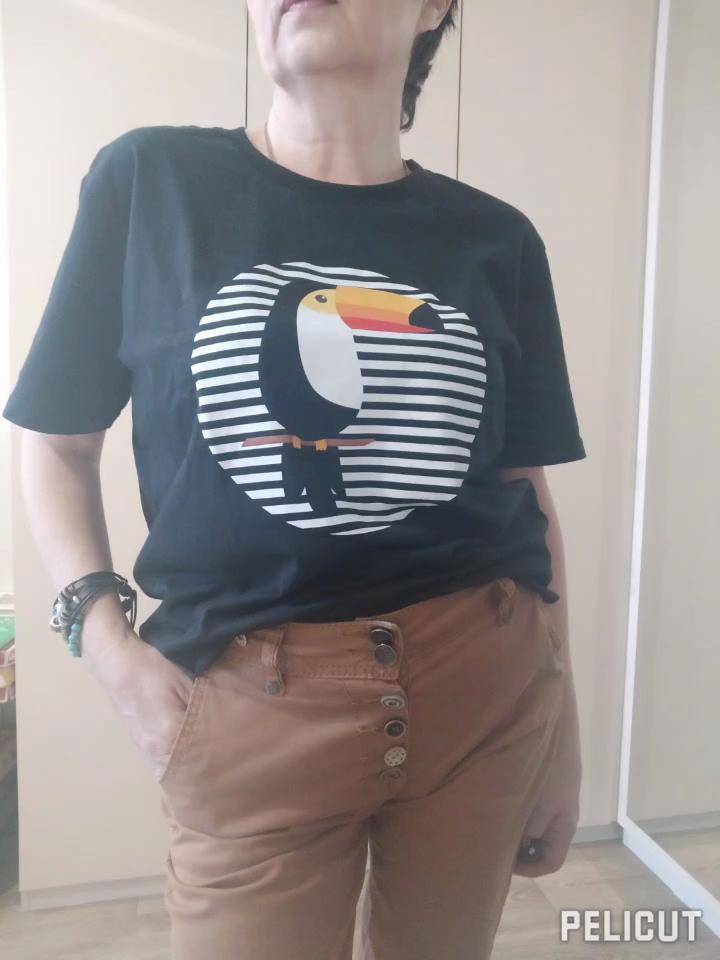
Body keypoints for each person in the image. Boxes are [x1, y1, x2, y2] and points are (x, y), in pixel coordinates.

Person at [2, 1, 586, 957]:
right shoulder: (150, 182)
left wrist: (563, 734)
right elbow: (58, 444)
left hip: (484, 686)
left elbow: (527, 495)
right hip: (248, 708)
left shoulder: (499, 238)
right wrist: (108, 652)